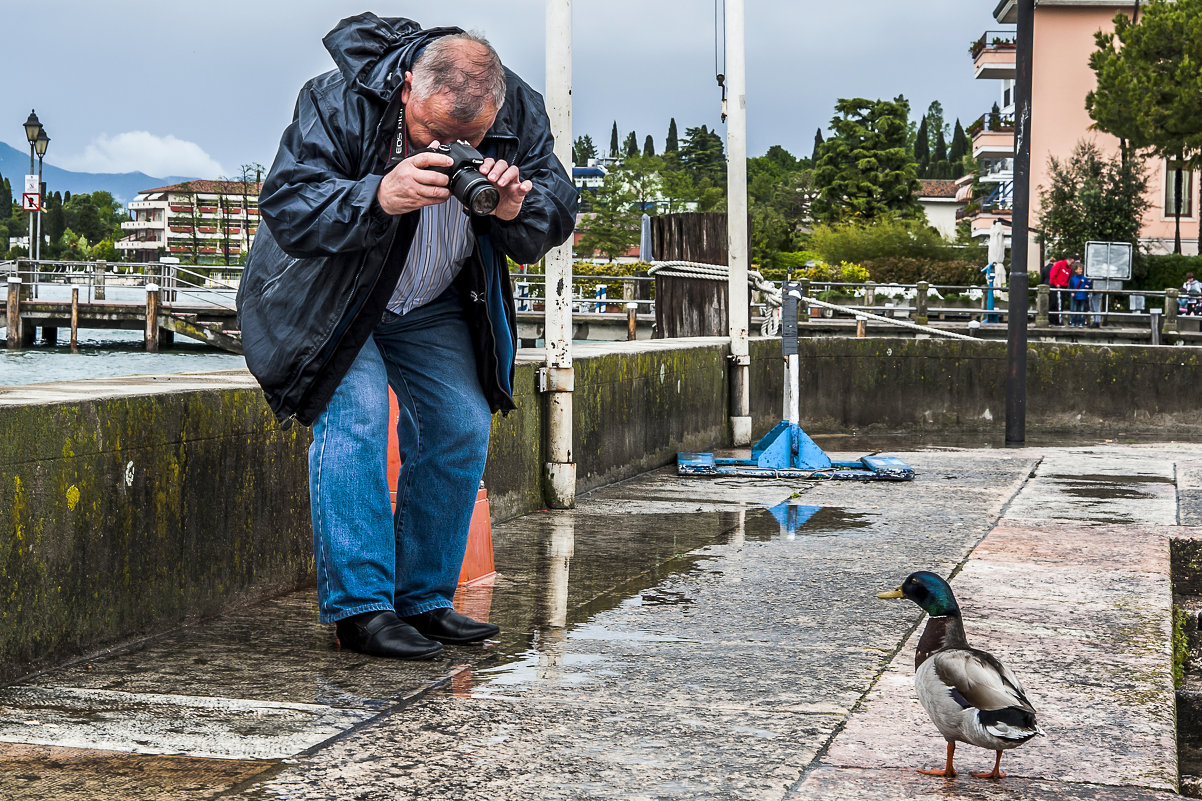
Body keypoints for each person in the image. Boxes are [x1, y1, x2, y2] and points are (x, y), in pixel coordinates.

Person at [237, 14, 577, 660]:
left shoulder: (519, 111)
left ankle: (421, 599)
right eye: (434, 135)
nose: (451, 154)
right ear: (404, 90)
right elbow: (287, 204)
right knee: (357, 414)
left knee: (460, 421)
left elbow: (555, 213)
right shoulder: (335, 100)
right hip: (332, 300)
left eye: (467, 143)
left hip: (432, 298)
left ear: (496, 112)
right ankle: (361, 609)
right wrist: (379, 195)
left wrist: (517, 208)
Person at [1048, 255, 1073, 325]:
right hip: (1055, 286)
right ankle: (1052, 320)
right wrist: (1056, 284)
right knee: (1054, 303)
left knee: (1061, 303)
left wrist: (1065, 285)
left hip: (1063, 287)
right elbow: (1052, 275)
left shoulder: (1069, 269)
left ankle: (1059, 320)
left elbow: (1067, 278)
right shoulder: (1059, 264)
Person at [1068, 262, 1092, 327]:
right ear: (1075, 270)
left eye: (1081, 269)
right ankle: (1073, 321)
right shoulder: (1073, 279)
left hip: (1083, 296)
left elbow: (1089, 285)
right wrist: (1071, 293)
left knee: (1081, 309)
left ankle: (1081, 322)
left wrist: (1088, 287)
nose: (1080, 270)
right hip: (1076, 296)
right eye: (1079, 269)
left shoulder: (1084, 278)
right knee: (1074, 309)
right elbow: (1070, 288)